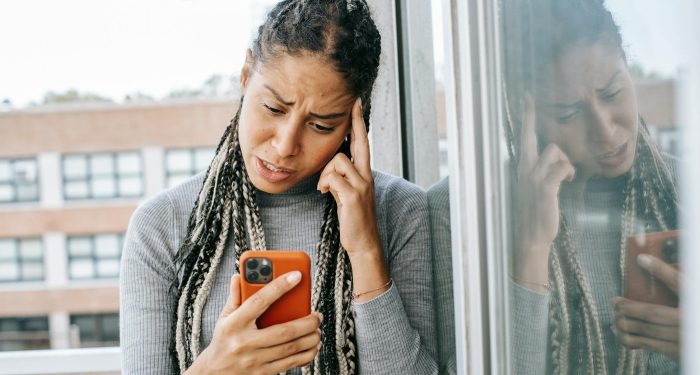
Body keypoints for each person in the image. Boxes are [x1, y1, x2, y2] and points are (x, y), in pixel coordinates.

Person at [119, 1, 437, 374]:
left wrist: (366, 250)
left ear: (356, 120)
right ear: (245, 75)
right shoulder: (162, 225)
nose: (285, 145)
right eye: (273, 108)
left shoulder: (401, 211)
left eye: (320, 126)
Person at [502, 0, 681, 373]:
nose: (605, 131)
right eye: (568, 112)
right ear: (525, 112)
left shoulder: (687, 190)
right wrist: (531, 246)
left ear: (627, 66)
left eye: (613, 92)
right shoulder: (469, 210)